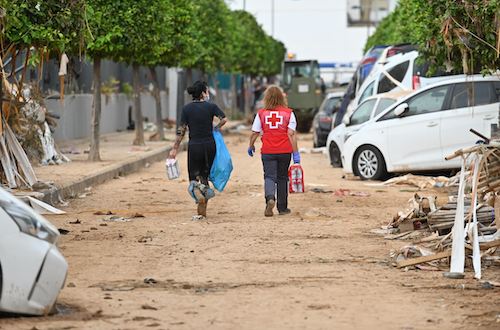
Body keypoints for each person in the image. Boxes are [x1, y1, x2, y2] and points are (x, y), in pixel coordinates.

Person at [169, 81, 227, 217]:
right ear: (202, 93)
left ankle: (198, 198)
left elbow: (181, 130)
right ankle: (204, 209)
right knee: (205, 177)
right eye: (206, 92)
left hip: (194, 146)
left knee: (193, 179)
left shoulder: (186, 109)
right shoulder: (211, 107)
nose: (207, 95)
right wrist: (217, 127)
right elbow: (224, 119)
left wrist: (174, 149)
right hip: (209, 145)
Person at [247, 85, 300, 217]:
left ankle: (270, 198)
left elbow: (255, 132)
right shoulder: (289, 113)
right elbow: (291, 134)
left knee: (269, 176)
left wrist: (251, 145)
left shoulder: (261, 113)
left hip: (268, 150)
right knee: (282, 178)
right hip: (284, 150)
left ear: (266, 98)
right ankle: (282, 208)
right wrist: (295, 153)